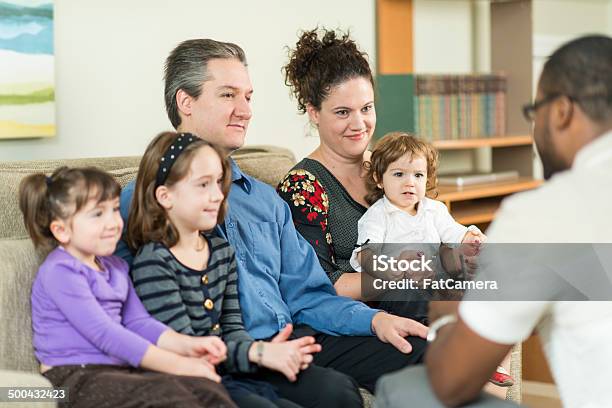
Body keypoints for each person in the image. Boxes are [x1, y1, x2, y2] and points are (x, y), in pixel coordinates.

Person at [116, 38, 428, 397]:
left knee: (425, 351)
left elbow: (308, 295)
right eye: (228, 95)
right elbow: (131, 307)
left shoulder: (266, 200)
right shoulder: (143, 199)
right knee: (334, 393)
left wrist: (375, 320)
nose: (245, 110)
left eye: (248, 96)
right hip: (229, 356)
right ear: (186, 102)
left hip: (298, 336)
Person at [375, 35, 612, 407]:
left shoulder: (544, 212)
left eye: (536, 113)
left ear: (562, 111)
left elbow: (452, 381)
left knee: (405, 388)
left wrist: (445, 318)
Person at [127, 131, 322, 408]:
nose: (217, 195)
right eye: (203, 185)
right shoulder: (154, 262)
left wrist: (262, 352)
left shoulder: (220, 252)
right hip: (188, 383)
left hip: (230, 371)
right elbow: (190, 348)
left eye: (219, 182)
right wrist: (258, 352)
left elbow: (232, 328)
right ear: (165, 196)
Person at [19, 166, 236, 408]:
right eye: (97, 214)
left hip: (118, 371)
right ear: (61, 230)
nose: (113, 222)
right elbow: (105, 334)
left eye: (114, 209)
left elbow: (138, 322)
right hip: (71, 378)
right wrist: (179, 364)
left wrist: (189, 345)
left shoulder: (116, 266)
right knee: (172, 396)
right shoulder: (61, 271)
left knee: (206, 389)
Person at [349, 132, 513, 388]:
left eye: (418, 175)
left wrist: (471, 240)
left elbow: (456, 234)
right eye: (398, 174)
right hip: (401, 289)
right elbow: (364, 255)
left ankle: (482, 352)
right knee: (409, 296)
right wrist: (393, 267)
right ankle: (450, 349)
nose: (409, 183)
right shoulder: (378, 216)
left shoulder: (434, 210)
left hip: (437, 284)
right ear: (378, 179)